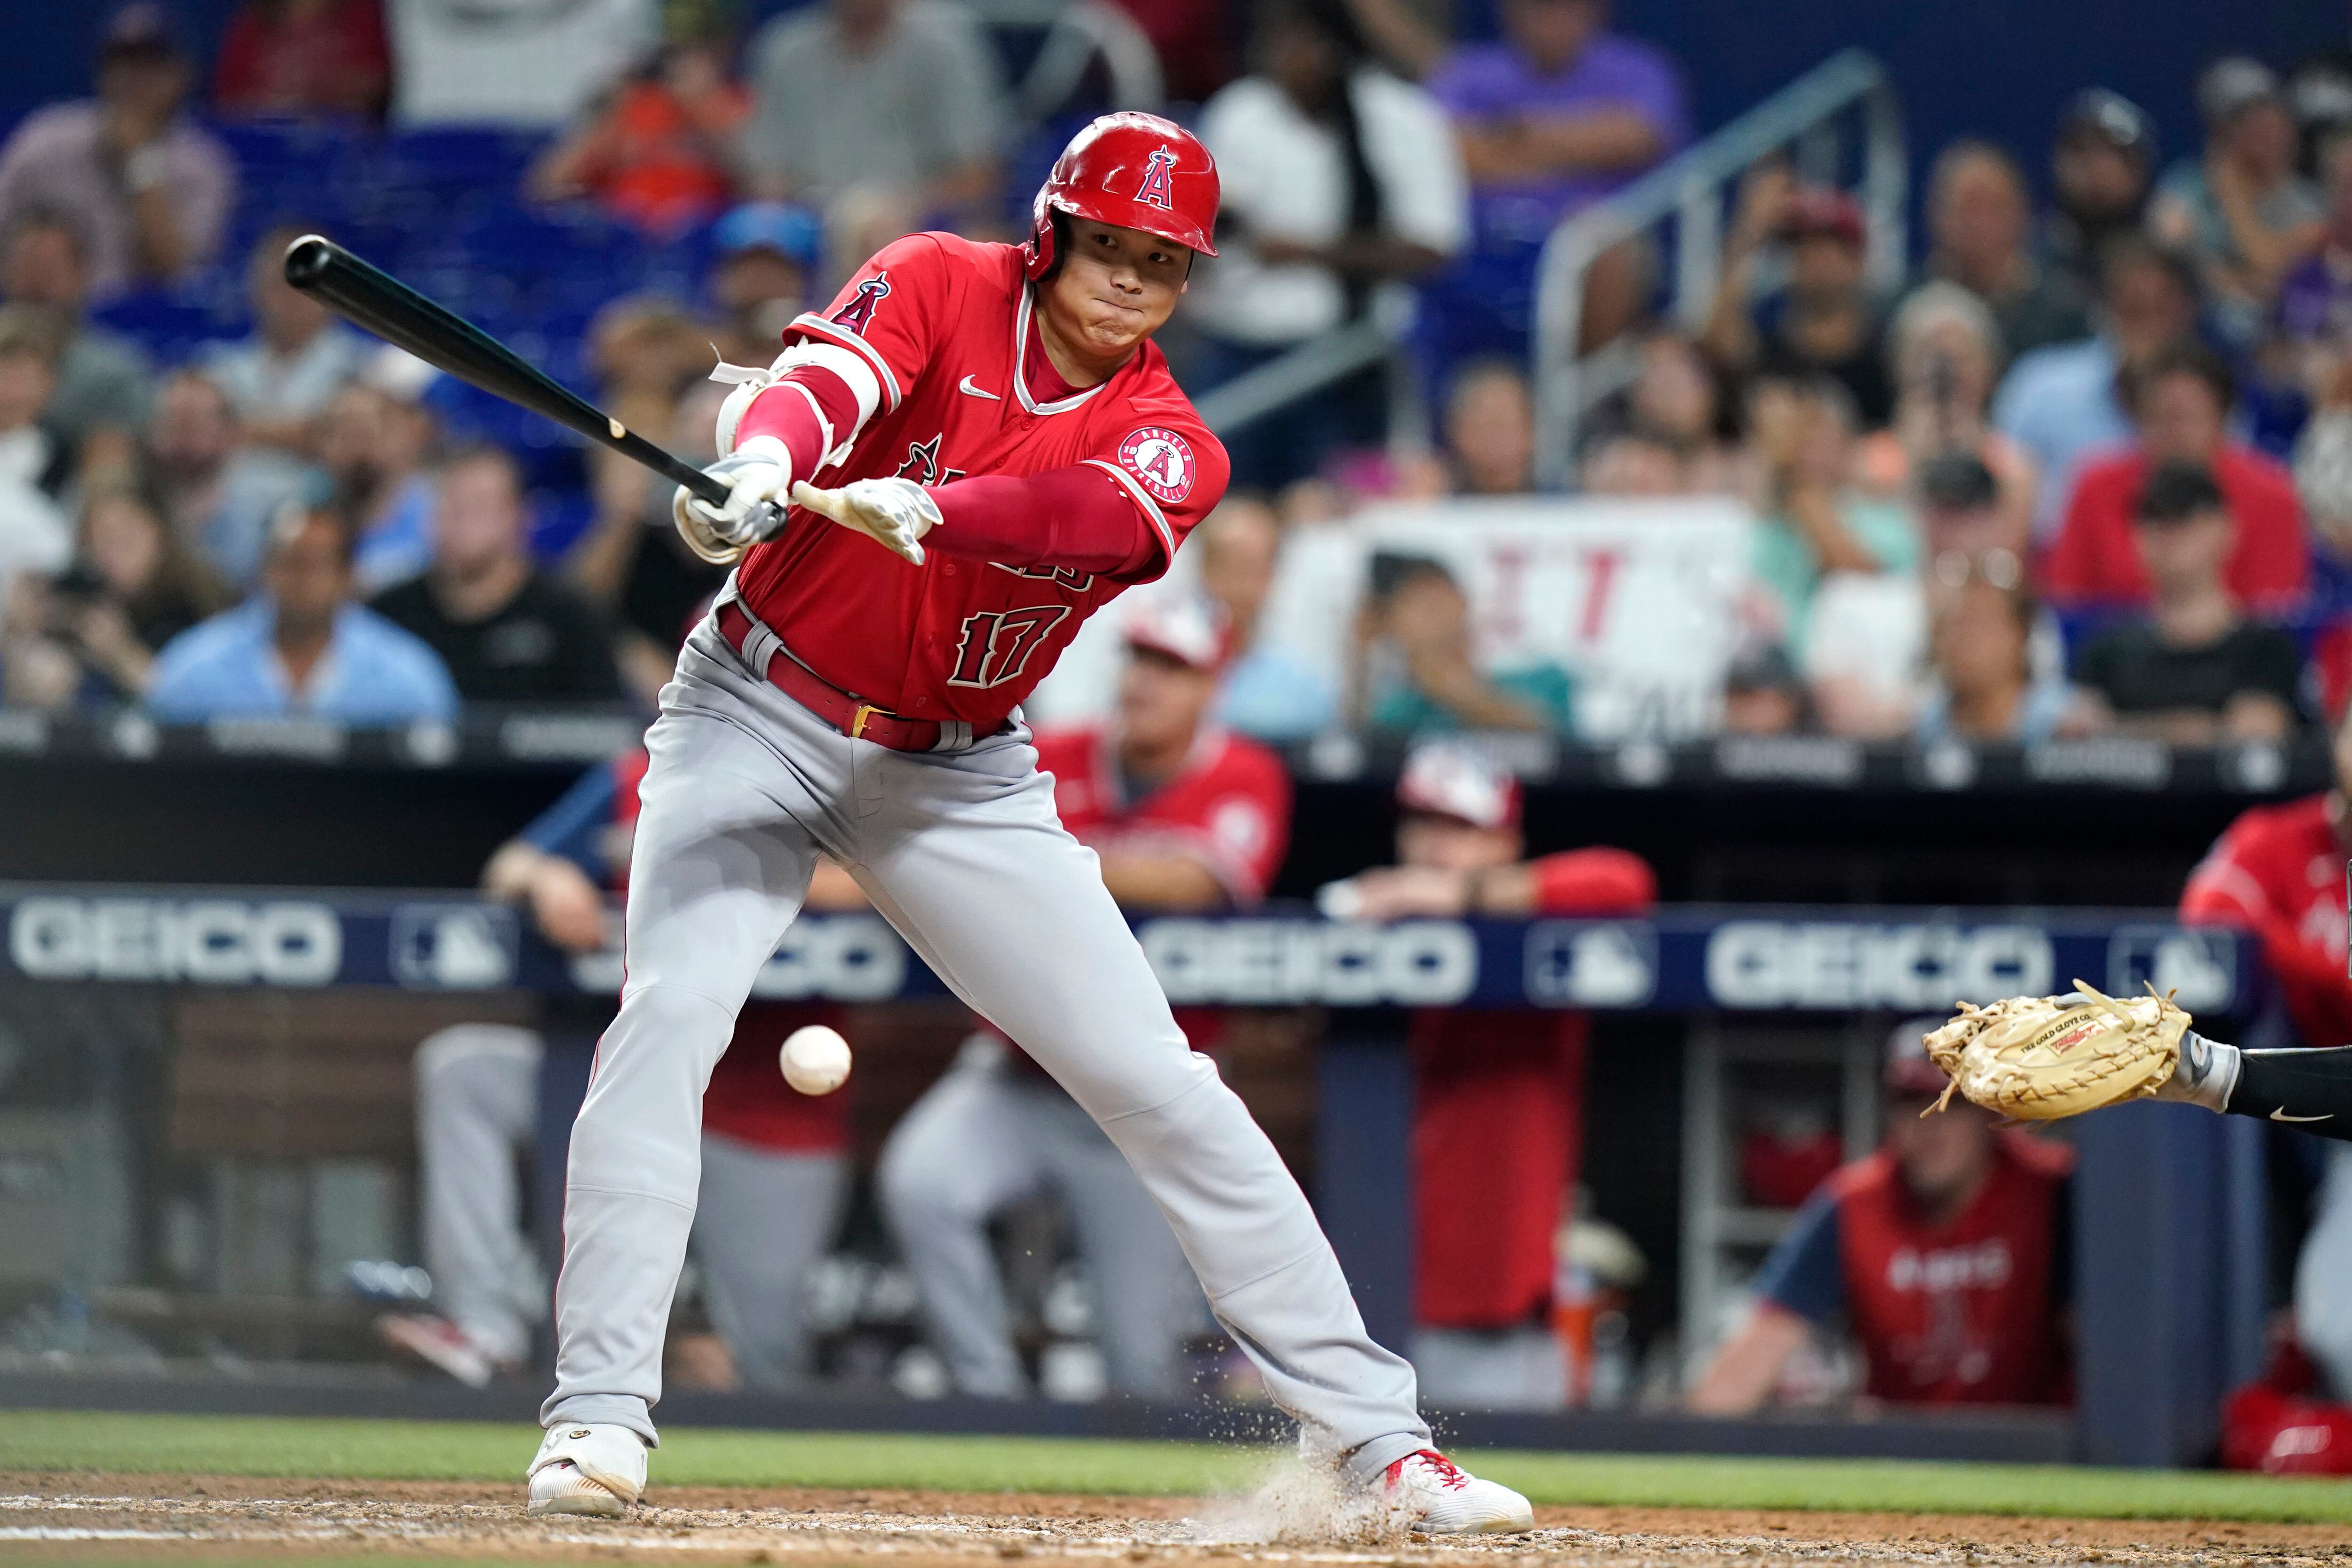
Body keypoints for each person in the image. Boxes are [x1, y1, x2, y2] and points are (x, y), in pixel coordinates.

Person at [522, 112, 1533, 1532]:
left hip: (956, 773)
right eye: (1108, 247)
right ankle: (597, 1420)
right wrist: (758, 463)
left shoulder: (1176, 439)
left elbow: (1086, 517)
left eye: (1159, 263)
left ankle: (1386, 1446)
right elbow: (817, 380)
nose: (1127, 281)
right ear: (1055, 230)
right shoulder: (940, 276)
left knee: (1162, 1083)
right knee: (665, 1020)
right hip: (751, 709)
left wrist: (942, 504)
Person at [880, 600, 1290, 1401]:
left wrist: (1039, 861)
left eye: (1173, 670)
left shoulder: (1245, 772)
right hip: (1017, 1073)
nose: (1146, 682)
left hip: (1140, 1104)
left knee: (1137, 1364)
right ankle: (988, 1396)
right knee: (922, 1180)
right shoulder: (1053, 751)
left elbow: (1197, 880)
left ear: (1211, 687)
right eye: (1140, 661)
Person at [380, 745, 858, 1388]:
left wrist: (720, 871)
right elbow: (509, 865)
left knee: (765, 1368)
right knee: (465, 1071)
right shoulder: (640, 775)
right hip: (628, 1083)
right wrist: (550, 877)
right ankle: (483, 1329)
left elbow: (878, 881)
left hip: (765, 1114)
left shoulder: (832, 775)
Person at [1315, 745, 1654, 1409]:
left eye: (1458, 829)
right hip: (1361, 1300)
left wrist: (1463, 896)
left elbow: (1626, 882)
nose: (1434, 847)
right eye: (1423, 825)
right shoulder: (1365, 925)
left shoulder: (1535, 932)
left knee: (1496, 1505)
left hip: (1492, 1309)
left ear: (1504, 843)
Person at [1689, 1021, 2074, 1413]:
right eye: (1912, 1103)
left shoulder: (2049, 1190)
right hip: (1904, 1454)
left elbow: (2108, 1349)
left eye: (1953, 1102)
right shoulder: (1855, 1204)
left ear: (1991, 1111)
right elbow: (1740, 1373)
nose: (1931, 1126)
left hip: (2035, 1449)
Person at [1189, 0, 1468, 488]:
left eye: (1294, 42)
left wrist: (1309, 254)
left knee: (1332, 507)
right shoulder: (1240, 112)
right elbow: (1212, 218)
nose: (1280, 57)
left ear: (1330, 48)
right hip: (1238, 347)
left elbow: (1433, 246)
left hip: (1349, 353)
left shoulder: (1402, 117)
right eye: (1272, 43)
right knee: (1215, 497)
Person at [1422, 0, 1687, 362]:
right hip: (1485, 250)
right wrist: (1578, 150)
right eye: (1538, 7)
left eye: (1565, 6)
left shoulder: (1638, 69)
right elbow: (1440, 151)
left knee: (1597, 239)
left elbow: (1637, 137)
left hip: (1588, 253)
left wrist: (1507, 141)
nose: (1552, 21)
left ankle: (1591, 403)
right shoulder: (1467, 72)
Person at [2042, 340, 2308, 615]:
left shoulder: (2272, 495)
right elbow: (2068, 601)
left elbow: (2277, 615)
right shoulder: (2095, 486)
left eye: (2188, 417)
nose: (2174, 432)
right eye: (2161, 417)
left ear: (2221, 419)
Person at [738, 0, 1006, 259]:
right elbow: (764, 171)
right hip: (809, 222)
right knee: (756, 241)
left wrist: (907, 210)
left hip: (913, 219)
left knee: (888, 233)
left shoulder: (945, 49)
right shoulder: (785, 49)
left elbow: (977, 173)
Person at [147, 501, 458, 724]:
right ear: (265, 571)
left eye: (317, 564)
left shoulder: (407, 679)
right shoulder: (193, 670)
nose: (301, 579)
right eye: (289, 562)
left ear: (347, 577)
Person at [0, 4, 235, 299]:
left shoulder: (202, 166)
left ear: (180, 75)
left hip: (145, 331)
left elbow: (175, 276)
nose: (135, 81)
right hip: (39, 318)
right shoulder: (46, 140)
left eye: (151, 66)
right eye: (123, 65)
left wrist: (140, 162)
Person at [369, 446, 622, 704]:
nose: (461, 521)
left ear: (521, 517)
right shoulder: (388, 614)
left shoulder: (570, 616)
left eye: (480, 506)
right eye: (449, 505)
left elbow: (604, 726)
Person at [2070, 461, 2301, 743]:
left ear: (2225, 528)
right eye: (2152, 519)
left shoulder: (2264, 650)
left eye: (2183, 518)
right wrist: (2208, 728)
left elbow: (2255, 734)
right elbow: (2077, 733)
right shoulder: (2106, 651)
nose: (2166, 535)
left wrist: (2116, 727)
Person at [1993, 237, 2203, 541]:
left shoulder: (2206, 396)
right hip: (2044, 566)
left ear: (2186, 312)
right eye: (2132, 307)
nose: (2145, 325)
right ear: (2105, 308)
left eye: (2159, 308)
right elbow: (1998, 489)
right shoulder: (2039, 385)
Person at [3, 485, 230, 708]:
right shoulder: (82, 593)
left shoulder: (195, 600)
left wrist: (119, 652)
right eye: (100, 540)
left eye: (125, 537)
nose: (113, 552)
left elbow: (190, 698)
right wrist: (19, 632)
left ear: (157, 531)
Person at [2153, 57, 2325, 350]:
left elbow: (2281, 277)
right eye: (2246, 122)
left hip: (2285, 342)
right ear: (2222, 133)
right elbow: (2168, 257)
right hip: (2198, 334)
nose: (2266, 132)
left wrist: (2233, 197)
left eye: (2271, 117)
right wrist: (2229, 280)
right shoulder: (2184, 185)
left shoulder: (2310, 202)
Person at [1746, 376, 1918, 658]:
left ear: (1847, 445)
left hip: (1865, 670)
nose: (1807, 454)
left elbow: (1863, 582)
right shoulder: (1767, 530)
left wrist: (1804, 497)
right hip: (1780, 674)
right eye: (1798, 441)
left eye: (1820, 440)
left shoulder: (1886, 521)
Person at [1856, 280, 2034, 551]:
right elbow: (1884, 551)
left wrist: (1972, 447)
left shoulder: (2014, 468)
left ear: (1990, 370)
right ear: (1899, 367)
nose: (1947, 373)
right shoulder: (1867, 461)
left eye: (1962, 357)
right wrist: (1914, 453)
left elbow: (2005, 557)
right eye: (1927, 356)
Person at [1705, 175, 1891, 428]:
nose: (1814, 261)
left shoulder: (1885, 354)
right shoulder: (1770, 355)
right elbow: (1718, 341)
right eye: (1802, 249)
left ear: (1856, 263)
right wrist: (1750, 232)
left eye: (1826, 249)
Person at [526, 38, 747, 236]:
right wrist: (611, 117)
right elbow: (546, 187)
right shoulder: (632, 107)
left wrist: (700, 106)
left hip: (705, 236)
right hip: (623, 239)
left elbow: (758, 187)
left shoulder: (732, 106)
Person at [3, 208, 150, 483]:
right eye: (27, 267)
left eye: (51, 269)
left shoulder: (114, 374)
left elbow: (113, 480)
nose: (38, 284)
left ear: (82, 274)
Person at [1355, 554, 1573, 734]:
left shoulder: (1545, 680)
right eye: (1418, 608)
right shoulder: (1396, 712)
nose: (1438, 620)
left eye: (1435, 602)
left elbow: (1559, 738)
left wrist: (1461, 694)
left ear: (1464, 602)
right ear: (1391, 627)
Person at [201, 225, 371, 454]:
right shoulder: (221, 367)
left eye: (304, 285)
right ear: (256, 291)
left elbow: (346, 439)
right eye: (279, 284)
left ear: (335, 291)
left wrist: (239, 431)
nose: (292, 297)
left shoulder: (362, 364)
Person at [1916, 141, 2090, 361]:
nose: (1980, 224)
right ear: (1935, 214)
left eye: (1994, 208)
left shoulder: (2065, 316)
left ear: (2024, 214)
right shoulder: (1902, 309)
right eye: (1968, 208)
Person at [144, 369, 316, 592]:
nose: (183, 435)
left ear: (232, 433)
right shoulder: (133, 504)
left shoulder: (275, 509)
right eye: (173, 420)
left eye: (196, 422)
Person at [1196, 496, 1339, 741]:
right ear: (1203, 570)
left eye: (1254, 570)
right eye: (1228, 567)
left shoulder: (1303, 680)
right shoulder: (1162, 665)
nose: (1240, 586)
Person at [1914, 576, 2080, 743]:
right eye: (1952, 626)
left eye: (1976, 625)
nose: (1962, 640)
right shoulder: (1925, 727)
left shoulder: (2066, 722)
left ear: (2020, 635)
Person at [313, 379, 438, 592]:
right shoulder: (307, 512)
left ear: (399, 436)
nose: (354, 449)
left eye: (362, 432)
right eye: (338, 432)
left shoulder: (436, 517)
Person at [2041, 90, 2158, 297]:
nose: (2095, 168)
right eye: (2081, 150)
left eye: (2112, 155)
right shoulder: (2031, 260)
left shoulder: (2163, 264)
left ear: (2139, 172)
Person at [213, 0, 391, 121]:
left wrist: (320, 87)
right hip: (267, 141)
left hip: (343, 141)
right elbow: (229, 98)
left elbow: (378, 81)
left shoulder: (360, 13)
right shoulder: (255, 19)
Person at [0, 305, 72, 581]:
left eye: (27, 377)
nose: (14, 391)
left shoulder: (64, 459)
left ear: (49, 385)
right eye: (7, 373)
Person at [1441, 359, 1538, 496]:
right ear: (1458, 432)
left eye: (1509, 426)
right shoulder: (1432, 505)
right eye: (1491, 426)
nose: (1500, 441)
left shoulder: (1564, 503)